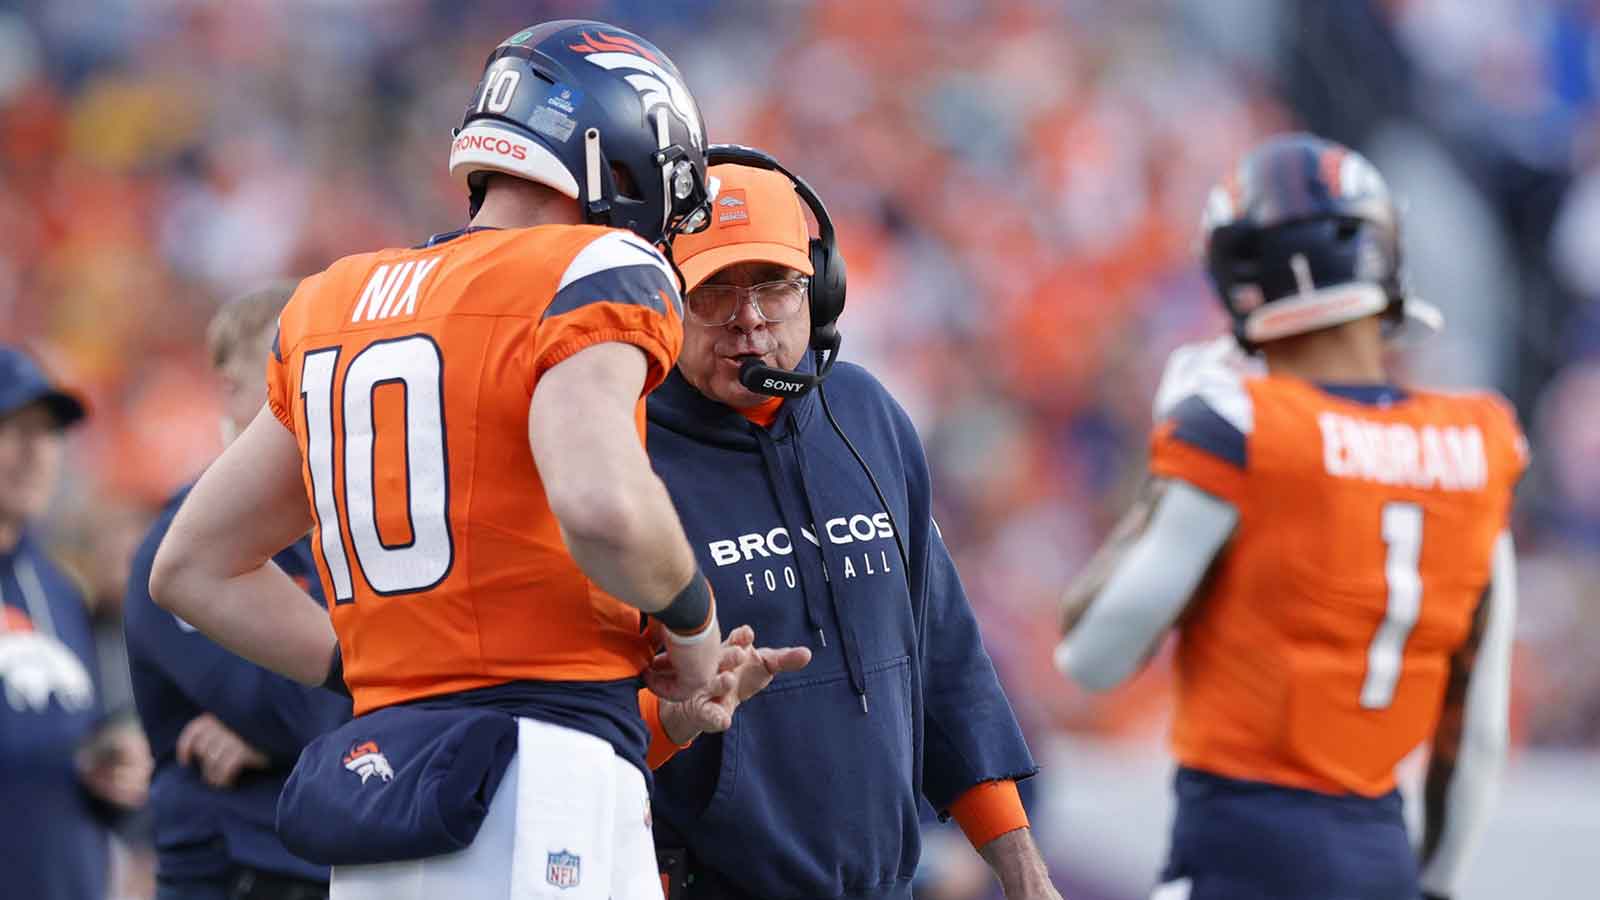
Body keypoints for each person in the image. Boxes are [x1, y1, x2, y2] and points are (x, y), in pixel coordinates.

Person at [147, 20, 773, 900]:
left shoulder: (331, 298)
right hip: (541, 779)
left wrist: (378, 666)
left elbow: (192, 565)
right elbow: (601, 504)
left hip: (382, 789)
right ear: (617, 158)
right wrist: (695, 633)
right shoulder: (596, 264)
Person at [1054, 134, 1524, 900]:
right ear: (1381, 252)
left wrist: (1170, 459)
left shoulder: (1241, 426)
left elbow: (1091, 657)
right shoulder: (1478, 443)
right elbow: (1477, 737)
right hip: (1381, 859)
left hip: (1240, 858)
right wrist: (1433, 886)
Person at [644, 151, 1059, 900]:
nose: (749, 318)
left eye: (773, 286)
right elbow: (574, 724)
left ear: (821, 291)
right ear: (662, 303)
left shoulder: (867, 417)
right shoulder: (624, 457)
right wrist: (672, 719)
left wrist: (1024, 873)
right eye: (714, 291)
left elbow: (944, 660)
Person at [125, 283, 353, 900]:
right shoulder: (178, 545)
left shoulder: (349, 527)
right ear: (229, 388)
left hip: (334, 863)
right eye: (293, 370)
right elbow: (295, 709)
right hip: (236, 873)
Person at [0, 344, 153, 900]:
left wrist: (113, 768)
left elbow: (78, 742)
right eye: (12, 430)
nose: (35, 454)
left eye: (47, 434)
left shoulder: (61, 593)